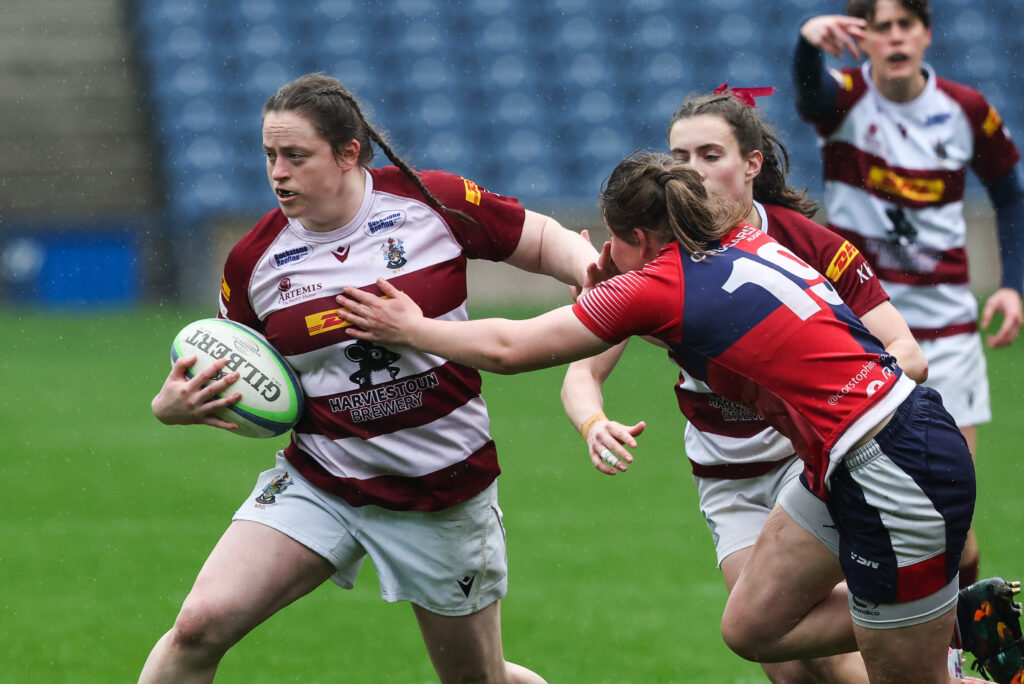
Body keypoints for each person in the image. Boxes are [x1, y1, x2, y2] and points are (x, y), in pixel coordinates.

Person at [336, 151, 976, 683]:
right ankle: (941, 611)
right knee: (752, 627)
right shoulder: (739, 238)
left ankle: (939, 615)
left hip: (889, 465)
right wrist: (609, 288)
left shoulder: (660, 284)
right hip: (863, 449)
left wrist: (413, 328)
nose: (606, 251)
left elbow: (511, 348)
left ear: (637, 238)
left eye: (611, 239)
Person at [140, 72, 602, 684]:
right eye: (270, 155)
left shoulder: (429, 202)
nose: (278, 172)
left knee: (475, 678)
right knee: (198, 627)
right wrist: (173, 405)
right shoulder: (254, 260)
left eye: (296, 156)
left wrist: (589, 271)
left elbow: (538, 238)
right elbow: (236, 366)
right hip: (323, 480)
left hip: (439, 491)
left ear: (348, 153)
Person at [560, 86, 927, 683]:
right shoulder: (658, 253)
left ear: (752, 163)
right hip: (725, 477)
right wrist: (593, 422)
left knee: (822, 652)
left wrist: (832, 394)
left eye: (710, 155)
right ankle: (941, 618)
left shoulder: (805, 244)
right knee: (782, 663)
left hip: (807, 460)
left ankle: (938, 619)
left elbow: (908, 354)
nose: (694, 171)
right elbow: (582, 370)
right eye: (680, 158)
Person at [793, 0, 1024, 595]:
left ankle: (957, 629)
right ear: (864, 39)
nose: (894, 38)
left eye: (905, 25)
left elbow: (1010, 195)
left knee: (951, 519)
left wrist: (1013, 286)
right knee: (863, 506)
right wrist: (808, 44)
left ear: (926, 35)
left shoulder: (964, 109)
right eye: (881, 28)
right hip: (860, 336)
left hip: (949, 336)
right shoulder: (846, 99)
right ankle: (892, 631)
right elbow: (810, 96)